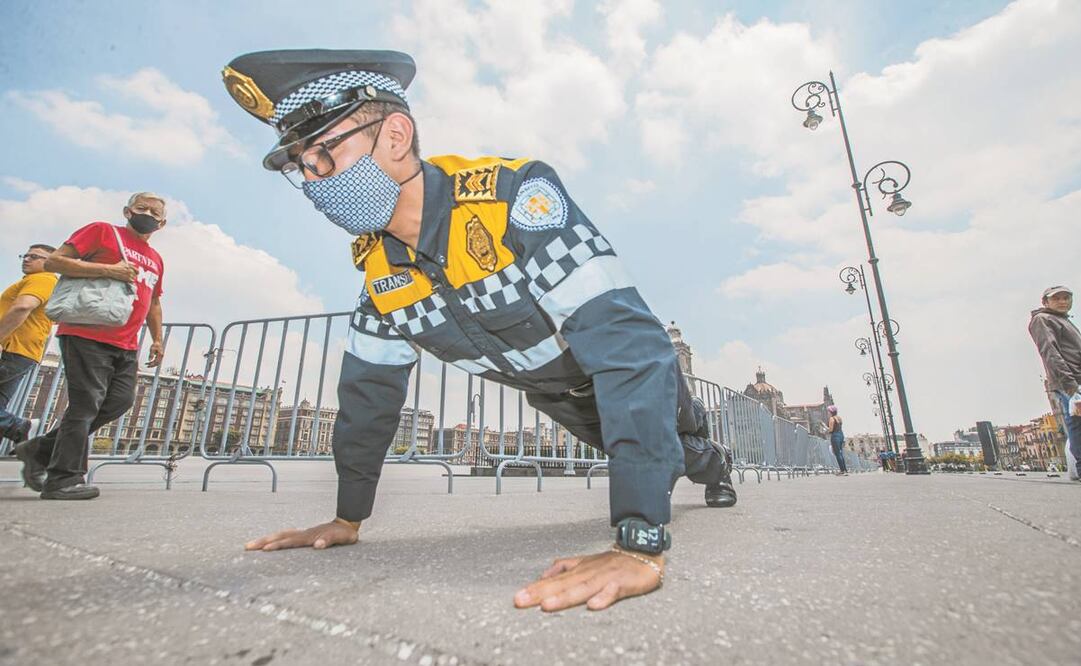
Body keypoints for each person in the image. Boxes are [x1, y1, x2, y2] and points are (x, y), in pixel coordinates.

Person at [222, 49, 738, 612]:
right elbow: (367, 397)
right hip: (561, 399)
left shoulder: (510, 197)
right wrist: (349, 516)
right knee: (666, 459)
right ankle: (691, 464)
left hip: (630, 369)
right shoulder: (379, 278)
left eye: (323, 153)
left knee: (693, 450)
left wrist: (639, 543)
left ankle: (720, 470)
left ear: (395, 135)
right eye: (301, 167)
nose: (315, 180)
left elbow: (627, 347)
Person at [13, 193, 167, 499]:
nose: (147, 214)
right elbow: (54, 261)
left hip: (125, 342)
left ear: (162, 223)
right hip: (87, 333)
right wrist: (109, 270)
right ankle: (64, 479)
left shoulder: (157, 259)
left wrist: (158, 339)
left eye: (154, 212)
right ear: (127, 211)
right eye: (141, 208)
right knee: (85, 405)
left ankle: (40, 449)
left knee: (119, 401)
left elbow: (154, 301)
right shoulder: (102, 231)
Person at [0, 245, 59, 444]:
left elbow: (23, 306)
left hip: (11, 348)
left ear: (50, 263)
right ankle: (23, 438)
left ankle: (19, 427)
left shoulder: (42, 279)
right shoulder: (42, 281)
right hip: (23, 351)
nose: (27, 259)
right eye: (25, 255)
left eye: (35, 256)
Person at [1028, 285, 1081, 481]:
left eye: (1066, 297)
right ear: (1045, 302)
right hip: (1070, 380)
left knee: (1076, 423)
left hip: (1075, 378)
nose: (1063, 301)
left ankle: (1076, 468)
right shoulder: (1043, 319)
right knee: (1077, 423)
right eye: (1057, 298)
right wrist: (1071, 385)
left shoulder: (1062, 319)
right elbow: (1050, 353)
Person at [825, 405, 847, 475]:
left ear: (831, 412)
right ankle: (845, 470)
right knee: (840, 453)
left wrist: (825, 430)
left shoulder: (831, 419)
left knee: (837, 453)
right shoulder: (839, 418)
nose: (827, 413)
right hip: (841, 435)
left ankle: (842, 471)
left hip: (835, 436)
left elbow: (831, 430)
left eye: (828, 411)